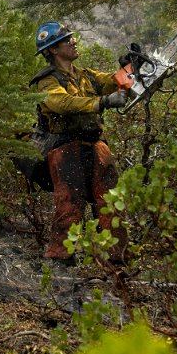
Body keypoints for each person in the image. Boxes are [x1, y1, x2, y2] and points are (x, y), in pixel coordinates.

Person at [29, 21, 128, 266]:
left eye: (72, 38)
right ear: (53, 50)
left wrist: (129, 67)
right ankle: (61, 261)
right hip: (65, 149)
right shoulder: (47, 81)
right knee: (70, 203)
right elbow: (62, 103)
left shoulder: (85, 76)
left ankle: (116, 258)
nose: (74, 42)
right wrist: (101, 103)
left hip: (95, 145)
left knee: (111, 201)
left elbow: (113, 81)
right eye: (67, 40)